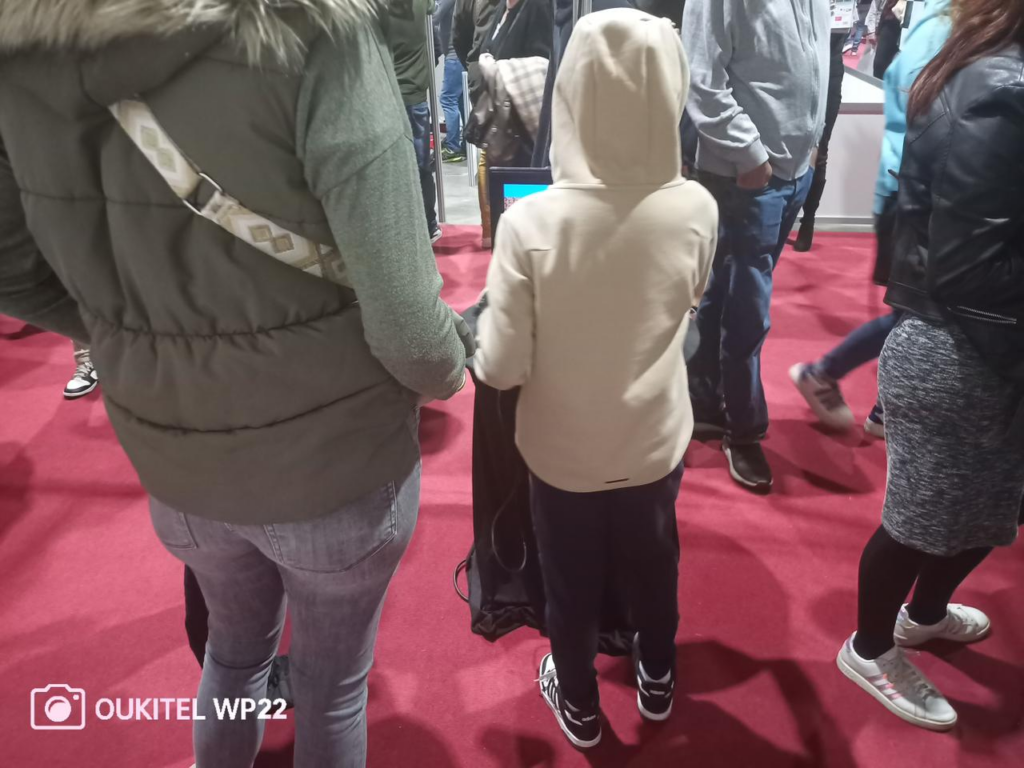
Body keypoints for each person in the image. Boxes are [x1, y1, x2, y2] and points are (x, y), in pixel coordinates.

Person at [0, 2, 471, 767]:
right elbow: (414, 337)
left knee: (232, 656)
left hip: (176, 457)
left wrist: (136, 337)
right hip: (335, 463)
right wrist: (452, 366)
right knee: (333, 687)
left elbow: (13, 272)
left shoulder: (23, 51)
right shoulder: (320, 32)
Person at [475, 8, 717, 747]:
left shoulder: (531, 223)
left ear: (569, 92)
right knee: (656, 561)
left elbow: (501, 365)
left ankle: (578, 701)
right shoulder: (697, 207)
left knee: (570, 580)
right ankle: (657, 676)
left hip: (563, 450)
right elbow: (689, 308)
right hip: (655, 437)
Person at [837, 0, 1024, 731]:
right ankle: (869, 648)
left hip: (982, 342)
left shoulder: (992, 76)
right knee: (920, 520)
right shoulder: (999, 88)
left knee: (987, 510)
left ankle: (923, 614)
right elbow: (969, 264)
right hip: (962, 347)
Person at [682, 0, 831, 492]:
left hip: (790, 172)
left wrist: (812, 143)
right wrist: (749, 155)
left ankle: (703, 403)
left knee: (725, 294)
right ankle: (743, 429)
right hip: (747, 176)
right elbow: (701, 78)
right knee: (747, 311)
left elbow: (813, 63)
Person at [790, 0, 952, 437]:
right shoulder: (946, 26)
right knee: (921, 313)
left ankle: (877, 404)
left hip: (916, 191)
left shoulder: (941, 22)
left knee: (922, 311)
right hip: (918, 196)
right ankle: (829, 375)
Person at [794, 2, 857, 252]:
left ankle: (808, 219)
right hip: (798, 63)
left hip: (831, 66)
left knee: (820, 149)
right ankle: (784, 214)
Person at [387, 0, 444, 243]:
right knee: (420, 166)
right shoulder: (420, 4)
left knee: (389, 168)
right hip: (414, 96)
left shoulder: (372, 9)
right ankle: (428, 225)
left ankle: (399, 228)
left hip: (385, 96)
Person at [437, 0, 468, 163]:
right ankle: (465, 145)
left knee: (447, 98)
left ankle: (453, 147)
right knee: (461, 101)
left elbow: (432, 17)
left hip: (454, 56)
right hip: (459, 54)